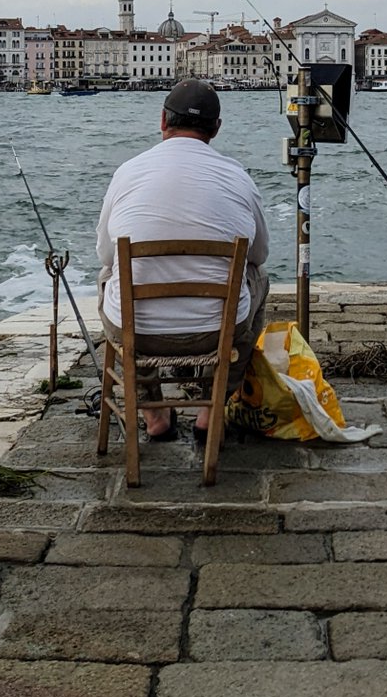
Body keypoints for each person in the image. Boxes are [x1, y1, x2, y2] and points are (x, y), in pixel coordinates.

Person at [96, 79, 269, 441]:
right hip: (215, 332)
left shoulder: (127, 172)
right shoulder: (237, 176)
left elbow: (106, 254)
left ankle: (154, 415)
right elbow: (259, 255)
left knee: (110, 275)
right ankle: (211, 409)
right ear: (216, 129)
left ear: (162, 120)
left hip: (138, 333)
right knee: (259, 278)